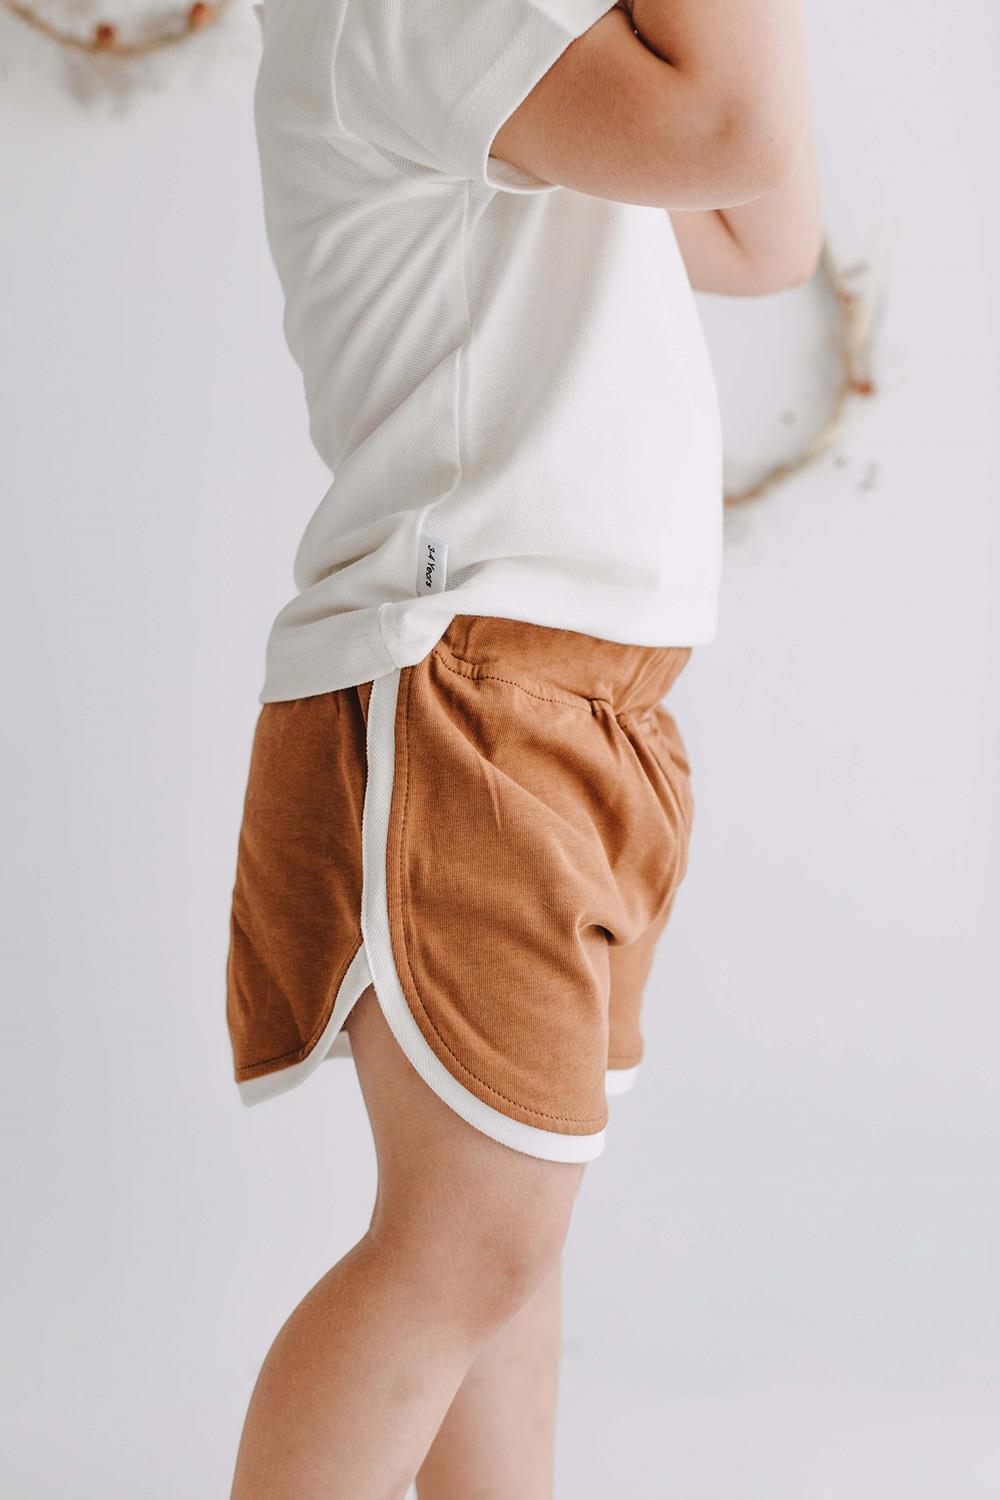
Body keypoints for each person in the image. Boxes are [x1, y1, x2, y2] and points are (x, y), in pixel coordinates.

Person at [224, 0, 823, 1494]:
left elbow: (764, 233)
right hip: (472, 684)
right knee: (472, 1240)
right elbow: (731, 128)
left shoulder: (542, 52)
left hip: (582, 698)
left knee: (503, 1246)